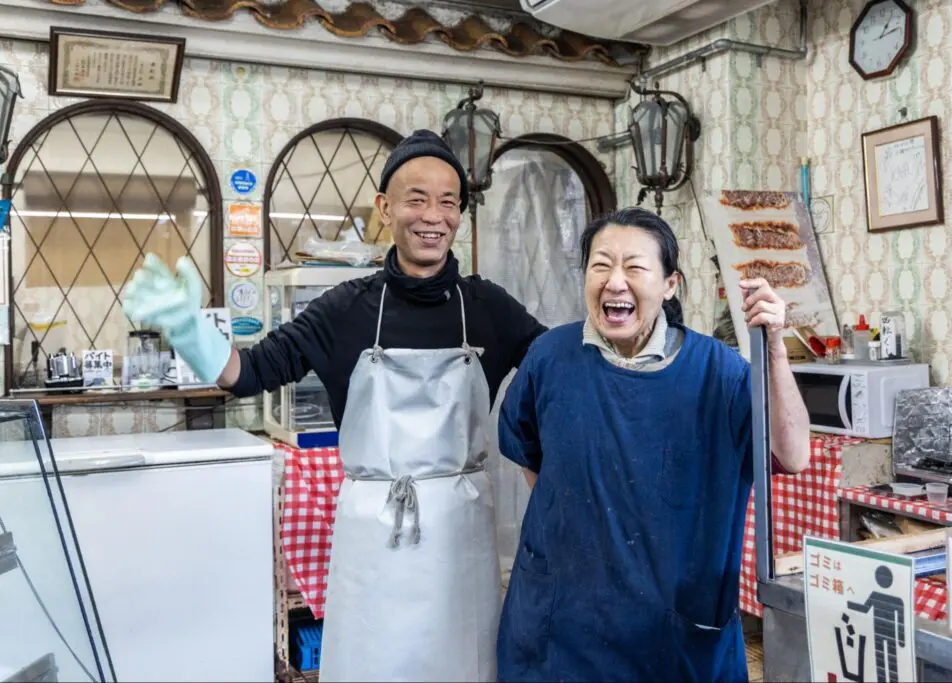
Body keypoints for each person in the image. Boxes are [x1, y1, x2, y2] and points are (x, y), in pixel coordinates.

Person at [122, 130, 547, 682]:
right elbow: (248, 373)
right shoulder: (345, 308)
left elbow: (554, 367)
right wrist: (189, 331)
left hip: (460, 532)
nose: (432, 216)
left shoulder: (487, 306)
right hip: (374, 535)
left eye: (448, 202)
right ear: (385, 207)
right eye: (416, 198)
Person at [495, 207, 811, 683]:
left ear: (669, 284)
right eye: (600, 265)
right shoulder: (549, 357)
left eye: (634, 267)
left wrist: (775, 348)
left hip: (672, 637)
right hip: (562, 632)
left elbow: (793, 454)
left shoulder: (716, 372)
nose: (614, 281)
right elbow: (533, 455)